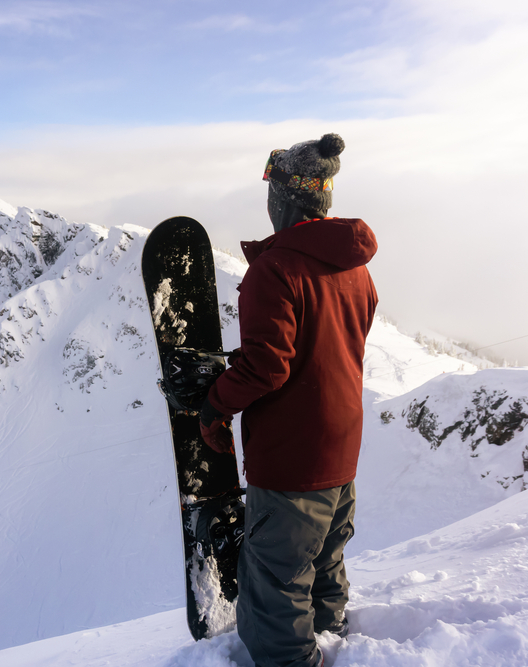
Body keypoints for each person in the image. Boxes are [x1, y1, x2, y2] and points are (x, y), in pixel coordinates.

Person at [198, 134, 378, 667]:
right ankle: (335, 643)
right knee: (323, 565)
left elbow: (269, 367)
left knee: (274, 587)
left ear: (286, 198)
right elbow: (332, 343)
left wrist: (216, 402)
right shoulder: (355, 267)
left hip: (292, 461)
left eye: (271, 191)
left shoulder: (274, 272)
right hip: (341, 452)